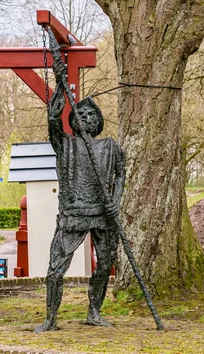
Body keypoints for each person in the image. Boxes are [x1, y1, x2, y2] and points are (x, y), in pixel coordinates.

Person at [34, 31, 126, 332]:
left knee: (105, 264)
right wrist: (60, 83)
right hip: (73, 215)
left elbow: (121, 174)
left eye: (90, 114)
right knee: (55, 269)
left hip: (103, 216)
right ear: (74, 119)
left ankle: (94, 311)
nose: (85, 117)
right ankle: (50, 318)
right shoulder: (66, 145)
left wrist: (116, 200)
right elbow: (52, 119)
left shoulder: (110, 146)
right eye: (81, 113)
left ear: (98, 120)